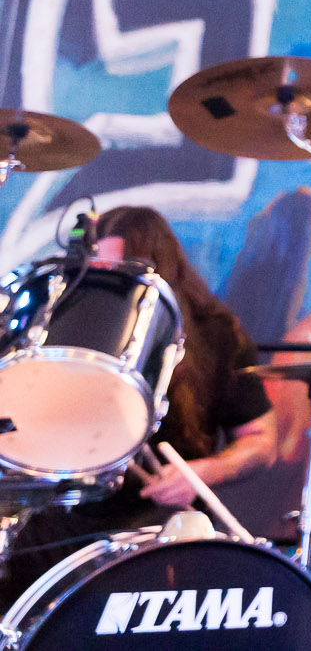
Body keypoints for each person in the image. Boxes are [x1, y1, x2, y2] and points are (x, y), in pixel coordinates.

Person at [0, 206, 277, 610]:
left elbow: (261, 438)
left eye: (120, 269)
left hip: (157, 523)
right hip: (59, 513)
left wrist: (204, 472)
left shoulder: (217, 334)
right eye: (97, 266)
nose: (104, 276)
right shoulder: (63, 327)